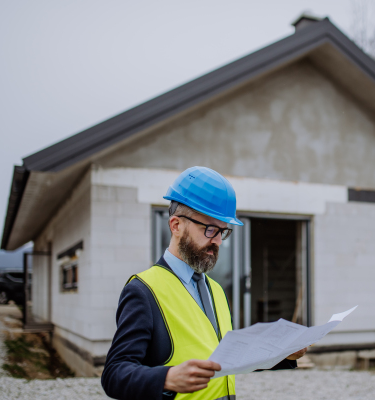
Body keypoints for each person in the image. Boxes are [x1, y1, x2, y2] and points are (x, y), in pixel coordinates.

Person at [101, 166, 307, 400]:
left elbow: (225, 360)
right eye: (209, 229)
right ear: (176, 225)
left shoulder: (216, 290)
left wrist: (283, 355)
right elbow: (114, 374)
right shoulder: (143, 290)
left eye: (223, 231)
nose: (218, 241)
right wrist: (166, 379)